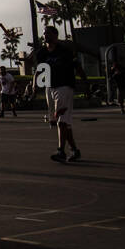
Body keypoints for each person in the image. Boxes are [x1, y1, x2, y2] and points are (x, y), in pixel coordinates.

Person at [28, 26, 87, 163]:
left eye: (48, 33)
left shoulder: (65, 51)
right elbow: (39, 70)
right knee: (60, 122)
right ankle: (74, 150)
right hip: (50, 87)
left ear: (55, 35)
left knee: (61, 120)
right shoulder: (42, 53)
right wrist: (34, 85)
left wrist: (86, 84)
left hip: (64, 86)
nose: (45, 36)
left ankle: (61, 150)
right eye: (44, 34)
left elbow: (77, 67)